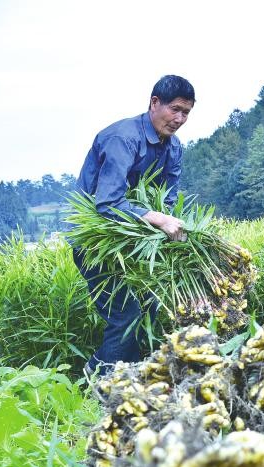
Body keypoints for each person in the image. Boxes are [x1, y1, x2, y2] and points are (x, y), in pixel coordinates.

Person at [73, 74, 195, 377]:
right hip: (96, 243)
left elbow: (166, 200)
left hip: (135, 242)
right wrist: (157, 219)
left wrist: (169, 225)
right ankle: (96, 377)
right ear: (155, 103)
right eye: (175, 109)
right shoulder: (123, 138)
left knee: (149, 310)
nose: (180, 119)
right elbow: (107, 204)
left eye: (187, 113)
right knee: (125, 316)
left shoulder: (174, 147)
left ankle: (130, 381)